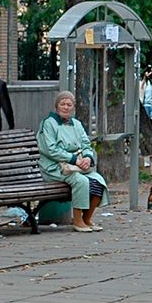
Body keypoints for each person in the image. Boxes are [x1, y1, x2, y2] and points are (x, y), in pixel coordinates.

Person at [38, 91, 107, 232]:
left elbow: (85, 144)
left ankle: (87, 218)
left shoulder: (76, 124)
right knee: (80, 181)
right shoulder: (48, 124)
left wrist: (88, 158)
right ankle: (77, 220)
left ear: (73, 107)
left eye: (69, 104)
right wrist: (74, 159)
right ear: (56, 106)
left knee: (98, 180)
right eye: (62, 104)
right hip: (53, 168)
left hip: (75, 166)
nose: (65, 107)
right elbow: (51, 150)